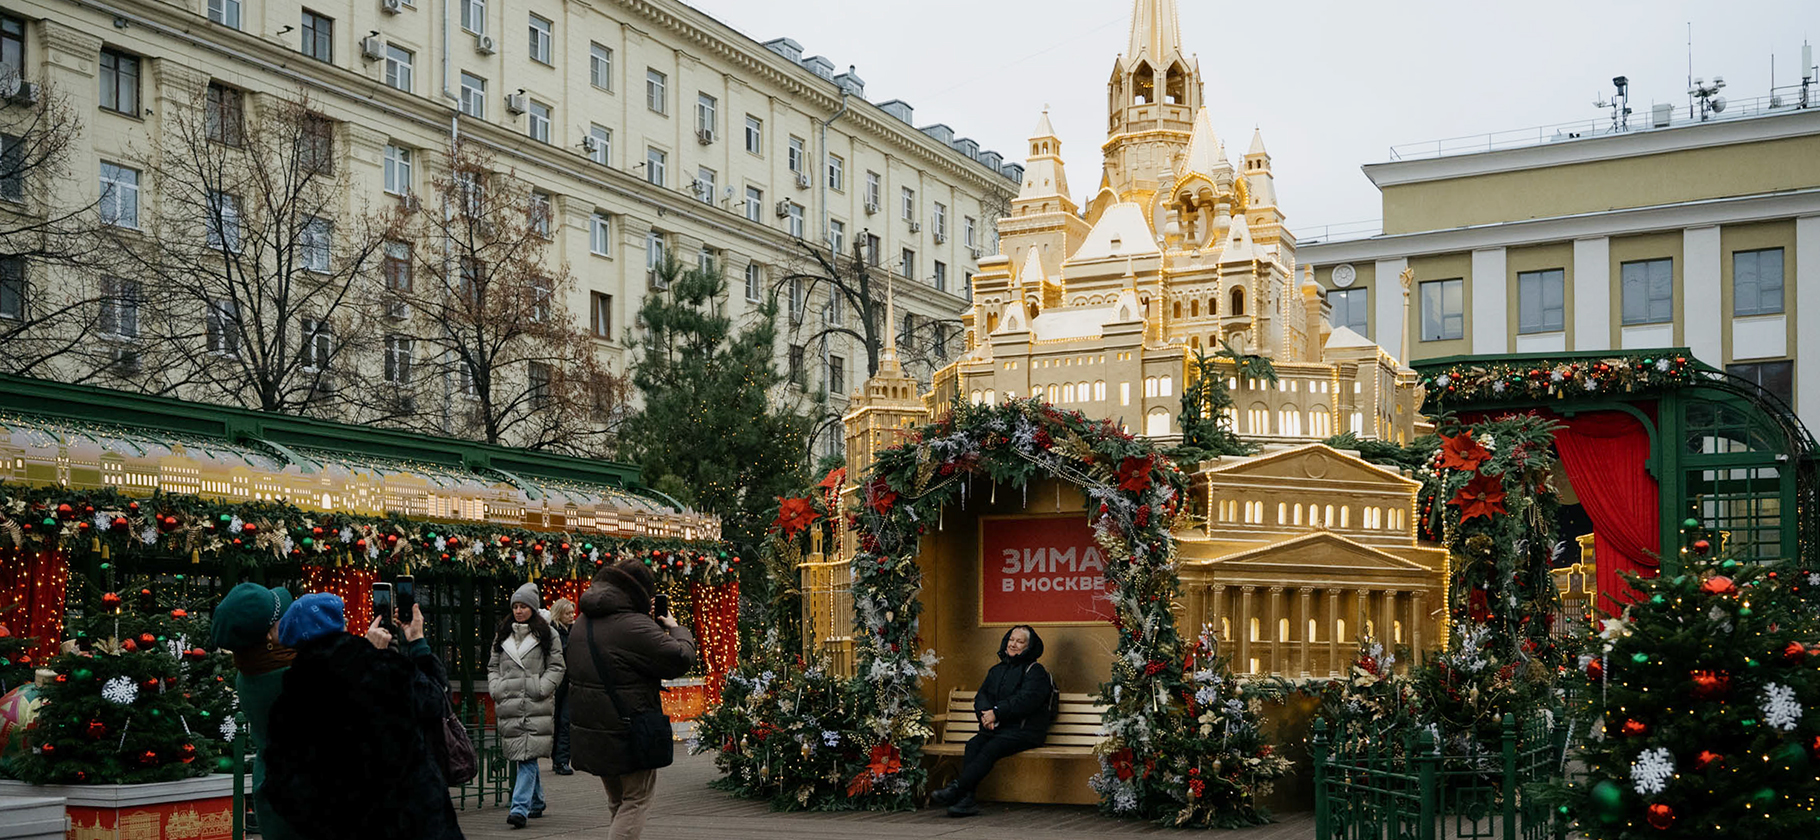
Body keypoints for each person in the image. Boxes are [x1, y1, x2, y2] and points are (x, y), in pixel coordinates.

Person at [263, 594, 464, 840]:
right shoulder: (386, 669)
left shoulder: (291, 701)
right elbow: (436, 702)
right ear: (343, 624)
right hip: (418, 823)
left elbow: (280, 785)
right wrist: (417, 641)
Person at [569, 560, 696, 840]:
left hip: (592, 728)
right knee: (636, 800)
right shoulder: (633, 625)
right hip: (629, 729)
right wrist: (676, 628)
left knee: (618, 801)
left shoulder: (582, 621)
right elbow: (679, 658)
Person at [929, 625, 1054, 817]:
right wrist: (985, 715)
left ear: (1029, 647)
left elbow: (1026, 700)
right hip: (998, 728)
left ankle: (957, 789)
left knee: (991, 748)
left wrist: (997, 712)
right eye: (1011, 639)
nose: (1013, 644)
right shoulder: (997, 669)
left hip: (1025, 731)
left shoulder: (1035, 671)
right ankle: (967, 800)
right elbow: (982, 695)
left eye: (1020, 642)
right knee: (973, 744)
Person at [207, 582, 297, 840]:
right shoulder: (292, 680)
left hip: (271, 791)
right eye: (283, 619)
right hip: (301, 801)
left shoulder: (250, 674)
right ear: (269, 639)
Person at [489, 583, 566, 829]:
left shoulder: (548, 634)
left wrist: (541, 687)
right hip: (509, 700)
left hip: (536, 701)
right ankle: (537, 801)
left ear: (532, 608)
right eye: (515, 606)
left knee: (527, 757)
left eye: (523, 606)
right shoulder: (502, 634)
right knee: (523, 754)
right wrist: (496, 688)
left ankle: (518, 809)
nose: (519, 611)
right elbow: (492, 666)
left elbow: (557, 666)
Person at [549, 598, 577, 775]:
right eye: (567, 613)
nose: (571, 616)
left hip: (569, 681)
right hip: (557, 681)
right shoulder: (552, 632)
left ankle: (561, 759)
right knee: (557, 721)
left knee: (565, 720)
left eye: (572, 612)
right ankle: (558, 759)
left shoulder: (573, 631)